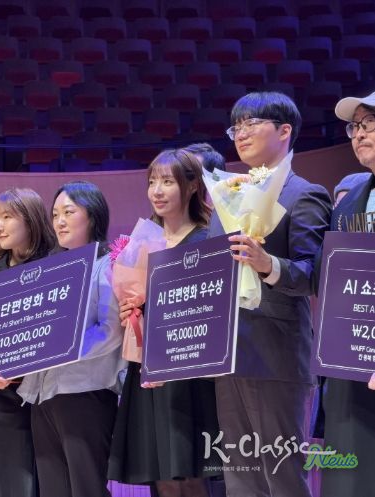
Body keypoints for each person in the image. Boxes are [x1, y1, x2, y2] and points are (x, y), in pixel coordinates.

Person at [210, 92, 331, 496]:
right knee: (240, 476)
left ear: (284, 131)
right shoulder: (227, 195)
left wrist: (268, 264)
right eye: (236, 126)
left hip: (276, 353)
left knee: (282, 476)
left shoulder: (305, 193)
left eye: (251, 123)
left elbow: (314, 275)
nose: (240, 133)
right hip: (228, 354)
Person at [108, 150, 220, 497]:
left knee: (191, 473)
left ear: (192, 186)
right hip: (148, 372)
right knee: (160, 474)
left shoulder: (209, 239)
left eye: (167, 181)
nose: (157, 190)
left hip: (191, 373)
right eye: (152, 181)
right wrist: (130, 313)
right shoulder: (142, 244)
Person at [17, 181, 126, 497]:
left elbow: (110, 330)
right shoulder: (50, 272)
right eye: (55, 215)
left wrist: (60, 349)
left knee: (87, 488)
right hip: (42, 395)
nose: (59, 221)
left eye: (69, 212)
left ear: (92, 216)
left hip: (85, 394)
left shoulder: (108, 265)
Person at [0, 187, 56, 497]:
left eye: (7, 218)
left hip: (28, 402)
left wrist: (17, 371)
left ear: (30, 220)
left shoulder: (53, 266)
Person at [319, 91, 375, 496]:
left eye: (369, 123)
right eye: (354, 126)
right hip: (352, 366)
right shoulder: (349, 202)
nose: (359, 134)